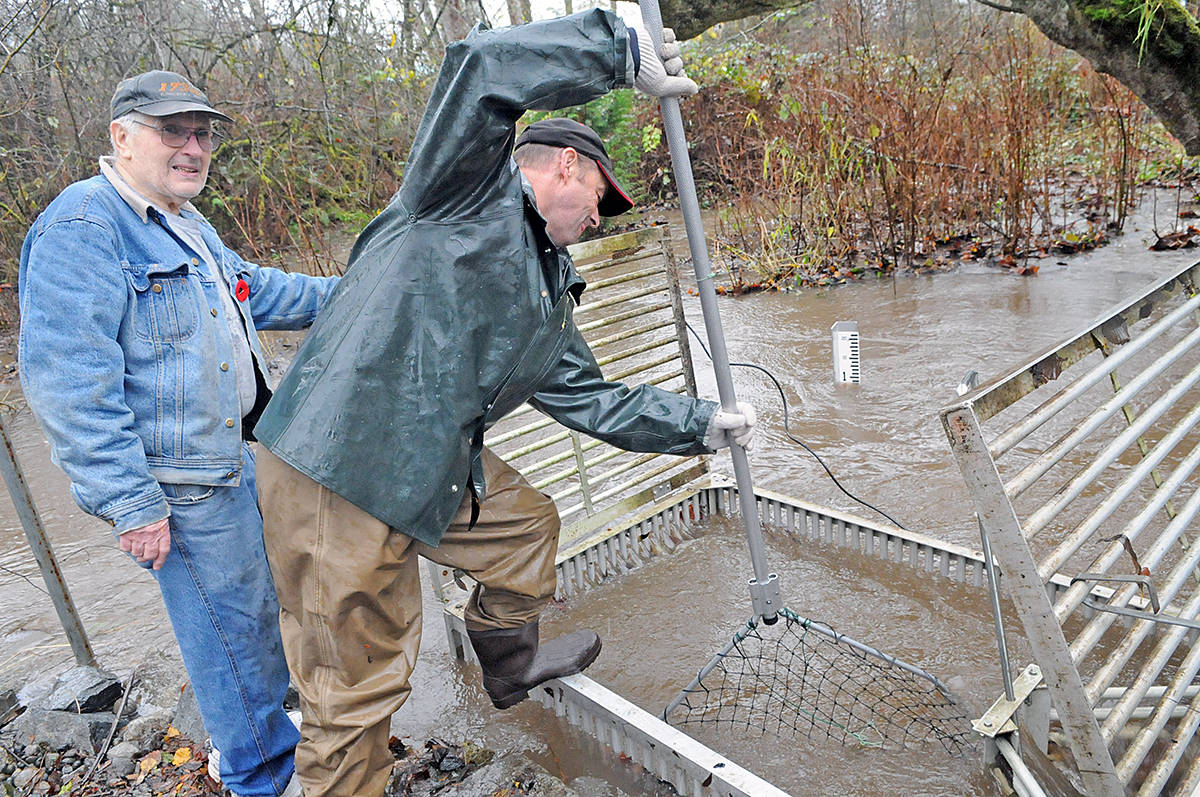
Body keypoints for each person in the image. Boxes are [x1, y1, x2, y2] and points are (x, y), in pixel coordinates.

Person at [253, 9, 755, 796]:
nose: (599, 219)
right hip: (338, 466)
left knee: (526, 527)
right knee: (354, 697)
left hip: (425, 468)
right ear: (558, 165)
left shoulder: (548, 297)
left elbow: (598, 402)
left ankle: (509, 661)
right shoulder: (459, 195)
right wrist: (618, 50)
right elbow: (482, 69)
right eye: (599, 196)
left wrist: (702, 427)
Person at [18, 71, 340, 797]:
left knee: (262, 619)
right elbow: (69, 383)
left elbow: (254, 291)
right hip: (182, 489)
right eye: (173, 131)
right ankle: (261, 777)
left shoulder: (185, 220)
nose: (193, 147)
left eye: (202, 133)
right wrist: (131, 503)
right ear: (121, 136)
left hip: (237, 459)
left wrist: (351, 292)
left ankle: (262, 747)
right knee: (232, 641)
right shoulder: (84, 227)